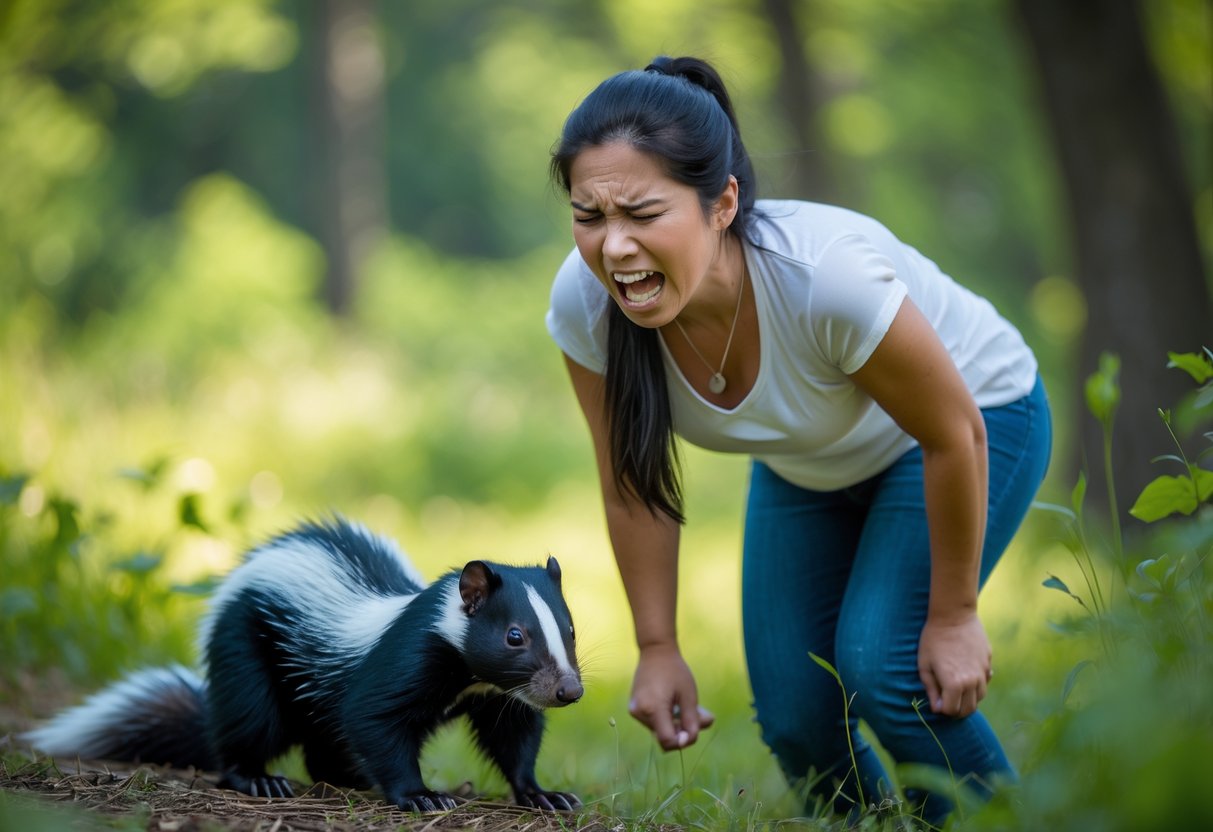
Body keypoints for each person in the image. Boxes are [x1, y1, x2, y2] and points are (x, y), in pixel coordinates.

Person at [545, 55, 1051, 823]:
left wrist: (953, 615)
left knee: (886, 670)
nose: (613, 247)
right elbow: (630, 484)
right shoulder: (588, 305)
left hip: (970, 425)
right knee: (795, 716)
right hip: (808, 459)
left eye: (643, 214)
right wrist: (656, 647)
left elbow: (954, 433)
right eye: (589, 216)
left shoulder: (823, 280)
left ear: (721, 204)